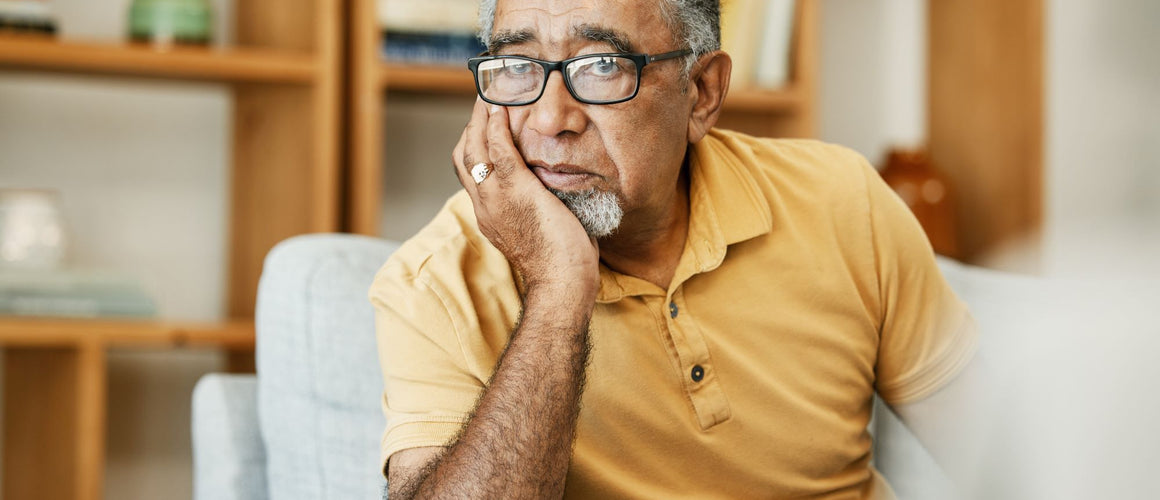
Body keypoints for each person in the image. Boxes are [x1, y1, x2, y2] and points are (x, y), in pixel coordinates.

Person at [369, 0, 980, 498]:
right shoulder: (434, 282)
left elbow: (1009, 459)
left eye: (602, 64)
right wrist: (558, 290)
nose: (551, 118)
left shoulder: (844, 203)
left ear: (703, 92)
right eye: (517, 66)